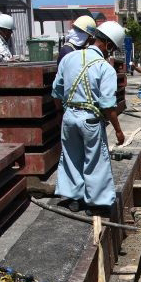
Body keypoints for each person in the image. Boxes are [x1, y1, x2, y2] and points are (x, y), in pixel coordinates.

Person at [52, 21, 126, 216]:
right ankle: (95, 204)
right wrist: (118, 130)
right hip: (90, 119)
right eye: (112, 48)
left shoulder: (69, 58)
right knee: (95, 161)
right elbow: (108, 106)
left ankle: (74, 199)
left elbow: (56, 91)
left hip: (69, 117)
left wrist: (63, 115)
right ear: (109, 45)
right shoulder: (105, 68)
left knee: (71, 156)